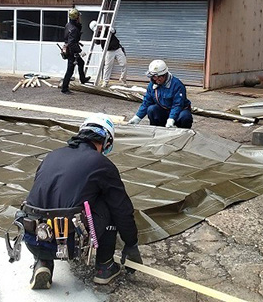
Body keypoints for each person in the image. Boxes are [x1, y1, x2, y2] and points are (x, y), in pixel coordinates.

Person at [23, 113, 142, 289]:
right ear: (107, 141)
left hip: (33, 238)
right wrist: (131, 243)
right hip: (70, 242)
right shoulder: (101, 163)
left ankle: (43, 263)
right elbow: (122, 209)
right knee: (109, 203)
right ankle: (105, 266)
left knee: (46, 203)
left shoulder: (52, 155)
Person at [127, 60, 193, 129]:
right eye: (154, 77)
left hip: (179, 111)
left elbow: (177, 105)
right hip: (164, 111)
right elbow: (146, 103)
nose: (156, 80)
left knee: (185, 117)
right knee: (151, 109)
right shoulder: (152, 85)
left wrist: (171, 119)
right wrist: (137, 117)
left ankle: (184, 134)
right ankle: (158, 131)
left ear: (164, 75)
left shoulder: (177, 85)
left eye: (158, 77)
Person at [60, 8, 90, 94]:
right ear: (76, 18)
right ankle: (64, 88)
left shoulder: (69, 25)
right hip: (72, 51)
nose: (80, 18)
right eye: (79, 16)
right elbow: (72, 43)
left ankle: (83, 79)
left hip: (71, 49)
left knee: (81, 63)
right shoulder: (73, 29)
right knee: (70, 70)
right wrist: (80, 51)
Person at [89, 20, 128, 88]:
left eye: (99, 28)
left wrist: (112, 30)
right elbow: (97, 42)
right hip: (108, 51)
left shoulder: (106, 27)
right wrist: (98, 35)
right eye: (98, 29)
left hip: (117, 48)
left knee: (124, 64)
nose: (99, 29)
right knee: (107, 67)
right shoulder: (97, 34)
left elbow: (114, 31)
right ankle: (105, 82)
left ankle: (123, 79)